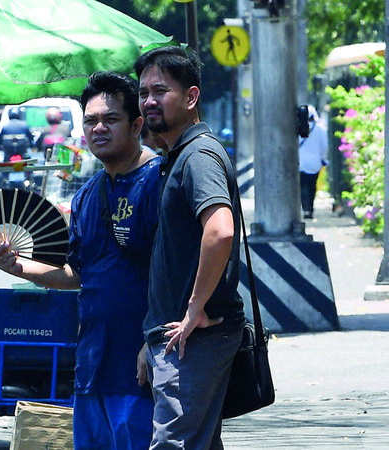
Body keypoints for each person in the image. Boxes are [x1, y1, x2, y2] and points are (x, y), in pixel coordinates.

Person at [0, 71, 160, 449]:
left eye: (110, 119)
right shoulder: (87, 196)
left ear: (136, 125)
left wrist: (156, 343)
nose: (98, 128)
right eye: (90, 120)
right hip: (91, 369)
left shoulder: (160, 184)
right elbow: (77, 273)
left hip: (142, 370)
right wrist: (20, 268)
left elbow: (179, 274)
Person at [135, 46, 245, 449]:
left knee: (173, 444)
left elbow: (220, 231)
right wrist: (154, 338)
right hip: (177, 337)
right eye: (143, 92)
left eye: (160, 90)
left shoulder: (197, 155)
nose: (148, 101)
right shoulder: (178, 155)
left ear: (191, 97)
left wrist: (194, 308)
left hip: (197, 336)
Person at [298, 105, 328, 219]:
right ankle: (310, 207)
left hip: (301, 163)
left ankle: (306, 208)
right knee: (312, 186)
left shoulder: (297, 129)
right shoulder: (320, 129)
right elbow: (324, 146)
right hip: (315, 163)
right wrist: (322, 159)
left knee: (303, 186)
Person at [0, 106, 34, 187]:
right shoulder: (24, 125)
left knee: (5, 163)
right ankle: (29, 177)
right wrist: (32, 144)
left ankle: (5, 178)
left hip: (9, 151)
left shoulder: (5, 126)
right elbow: (30, 138)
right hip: (22, 151)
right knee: (28, 161)